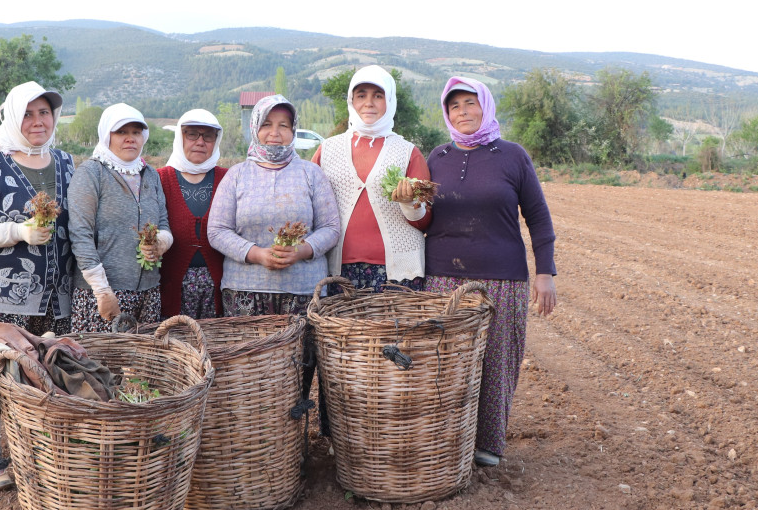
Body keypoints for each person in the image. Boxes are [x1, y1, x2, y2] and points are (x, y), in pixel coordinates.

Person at [425, 76, 558, 468]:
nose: (463, 112)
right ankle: (448, 440)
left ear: (486, 105)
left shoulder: (513, 156)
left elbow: (538, 217)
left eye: (470, 103)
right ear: (446, 114)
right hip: (442, 278)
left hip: (502, 279)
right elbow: (420, 214)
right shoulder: (437, 158)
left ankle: (488, 444)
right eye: (454, 106)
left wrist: (545, 272)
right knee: (445, 361)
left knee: (497, 360)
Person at [0, 80, 75, 489]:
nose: (38, 121)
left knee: (42, 375)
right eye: (29, 113)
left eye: (45, 113)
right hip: (0, 294)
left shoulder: (66, 163)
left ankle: (37, 457)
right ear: (12, 117)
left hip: (55, 294)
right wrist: (18, 232)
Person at [207, 94, 339, 316]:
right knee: (251, 352)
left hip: (304, 291)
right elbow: (217, 231)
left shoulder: (311, 173)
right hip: (244, 290)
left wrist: (301, 251)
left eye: (283, 126)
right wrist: (257, 254)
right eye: (266, 125)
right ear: (255, 128)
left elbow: (331, 227)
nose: (275, 133)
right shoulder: (237, 175)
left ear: (293, 130)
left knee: (301, 351)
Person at [313, 65, 431, 292]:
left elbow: (425, 220)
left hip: (397, 273)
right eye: (361, 95)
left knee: (393, 329)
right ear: (351, 101)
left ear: (390, 101)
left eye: (378, 95)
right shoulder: (327, 150)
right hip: (337, 270)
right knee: (341, 329)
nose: (369, 103)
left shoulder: (407, 152)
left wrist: (409, 203)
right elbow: (308, 205)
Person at [66, 103, 170, 332]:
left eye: (136, 132)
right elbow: (80, 235)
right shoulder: (92, 173)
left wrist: (161, 243)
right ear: (107, 135)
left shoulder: (150, 174)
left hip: (148, 292)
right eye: (121, 132)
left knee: (143, 365)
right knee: (103, 365)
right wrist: (102, 290)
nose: (130, 138)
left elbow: (163, 223)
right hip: (103, 294)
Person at [156, 110, 228, 319]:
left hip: (217, 285)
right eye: (192, 134)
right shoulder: (160, 178)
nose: (200, 142)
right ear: (180, 137)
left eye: (208, 136)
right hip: (171, 284)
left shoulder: (228, 178)